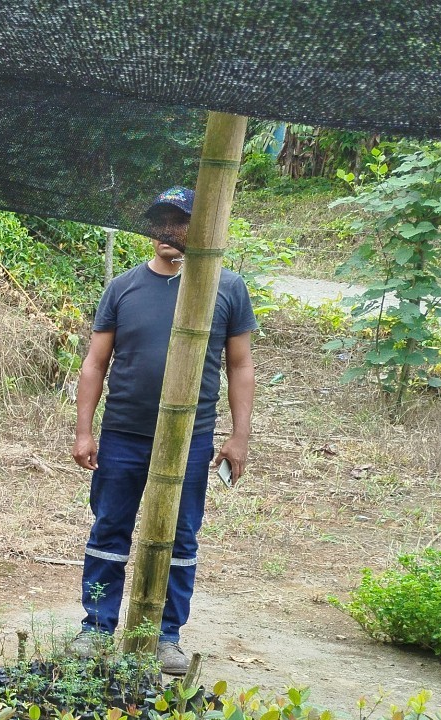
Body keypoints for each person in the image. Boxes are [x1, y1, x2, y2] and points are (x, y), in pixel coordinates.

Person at [70, 186, 256, 675]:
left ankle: (165, 636)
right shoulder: (123, 287)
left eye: (180, 221)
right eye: (160, 221)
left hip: (190, 439)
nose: (167, 230)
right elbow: (95, 363)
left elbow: (240, 366)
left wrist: (239, 436)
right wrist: (84, 431)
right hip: (124, 433)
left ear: (201, 228)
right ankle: (96, 628)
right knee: (109, 527)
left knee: (181, 535)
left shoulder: (227, 288)